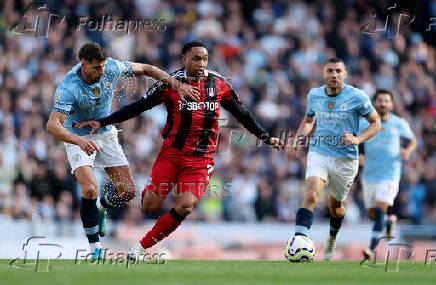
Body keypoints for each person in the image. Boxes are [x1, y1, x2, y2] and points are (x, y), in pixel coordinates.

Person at [75, 40, 284, 259]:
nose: (201, 63)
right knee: (149, 207)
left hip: (200, 160)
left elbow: (242, 113)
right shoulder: (170, 83)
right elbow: (138, 107)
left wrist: (266, 136)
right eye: (196, 58)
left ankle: (139, 249)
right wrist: (104, 121)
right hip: (171, 156)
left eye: (204, 58)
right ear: (184, 59)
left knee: (185, 207)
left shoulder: (219, 84)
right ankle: (111, 204)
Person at [46, 42, 200, 260]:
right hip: (77, 134)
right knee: (90, 188)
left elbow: (147, 69)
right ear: (83, 65)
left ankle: (101, 206)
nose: (102, 71)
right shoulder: (68, 87)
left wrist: (177, 85)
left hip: (105, 132)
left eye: (103, 66)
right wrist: (77, 141)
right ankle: (95, 249)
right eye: (96, 68)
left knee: (127, 191)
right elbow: (53, 125)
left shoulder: (112, 67)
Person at [285, 57, 381, 260]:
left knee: (335, 208)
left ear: (345, 74)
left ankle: (332, 236)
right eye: (330, 71)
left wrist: (357, 139)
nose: (334, 75)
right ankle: (299, 241)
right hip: (319, 153)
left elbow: (376, 123)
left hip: (346, 160)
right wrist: (297, 139)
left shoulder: (357, 96)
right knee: (311, 195)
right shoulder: (315, 95)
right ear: (323, 74)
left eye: (338, 71)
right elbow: (309, 120)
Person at [359, 89, 417, 260]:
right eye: (380, 100)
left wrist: (408, 150)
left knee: (378, 210)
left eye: (386, 101)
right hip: (369, 175)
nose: (383, 103)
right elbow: (356, 141)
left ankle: (370, 249)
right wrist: (358, 154)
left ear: (391, 104)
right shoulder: (365, 123)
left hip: (390, 175)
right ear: (374, 103)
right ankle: (389, 221)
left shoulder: (399, 123)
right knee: (373, 214)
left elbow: (412, 140)